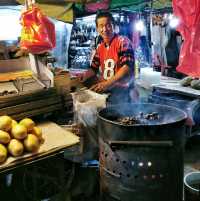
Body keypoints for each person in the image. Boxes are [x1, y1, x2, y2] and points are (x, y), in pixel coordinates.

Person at [79, 10, 135, 105]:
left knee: (122, 117)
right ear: (97, 29)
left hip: (123, 92)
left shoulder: (123, 41)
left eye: (108, 25)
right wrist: (84, 76)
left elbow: (127, 68)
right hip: (108, 92)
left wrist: (108, 84)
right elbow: (93, 68)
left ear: (114, 26)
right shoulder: (100, 47)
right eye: (101, 26)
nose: (105, 29)